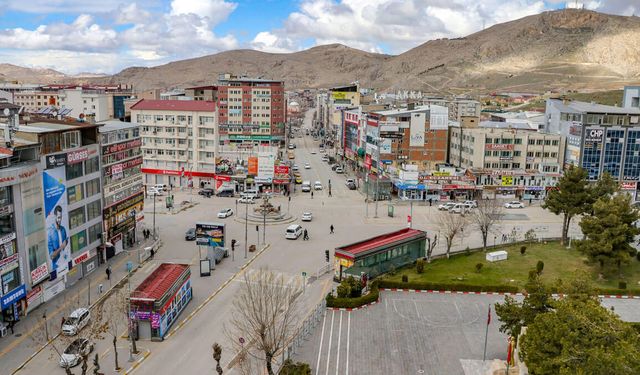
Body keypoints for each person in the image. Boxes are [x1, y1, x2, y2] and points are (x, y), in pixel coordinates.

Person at [47, 205, 68, 274]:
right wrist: (61, 247)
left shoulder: (63, 229)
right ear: (54, 216)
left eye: (61, 217)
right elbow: (52, 256)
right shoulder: (50, 233)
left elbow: (66, 243)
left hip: (65, 263)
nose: (60, 220)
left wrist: (66, 242)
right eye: (58, 217)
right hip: (56, 268)